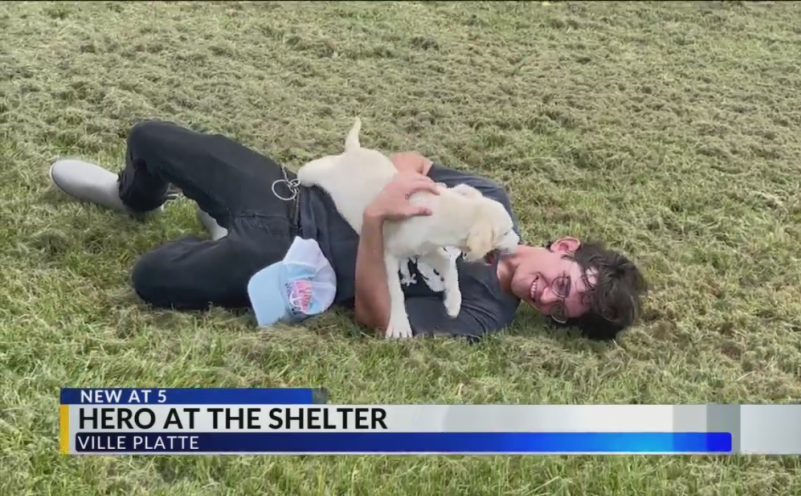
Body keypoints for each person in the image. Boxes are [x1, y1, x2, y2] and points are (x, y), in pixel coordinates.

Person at [49, 119, 647, 341]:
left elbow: (375, 315)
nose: (548, 297)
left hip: (290, 257)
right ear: (566, 249)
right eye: (563, 283)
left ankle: (220, 239)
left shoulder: (486, 312)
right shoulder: (491, 202)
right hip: (292, 191)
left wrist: (375, 222)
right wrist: (400, 184)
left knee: (150, 278)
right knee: (148, 138)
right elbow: (413, 160)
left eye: (561, 310)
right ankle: (134, 200)